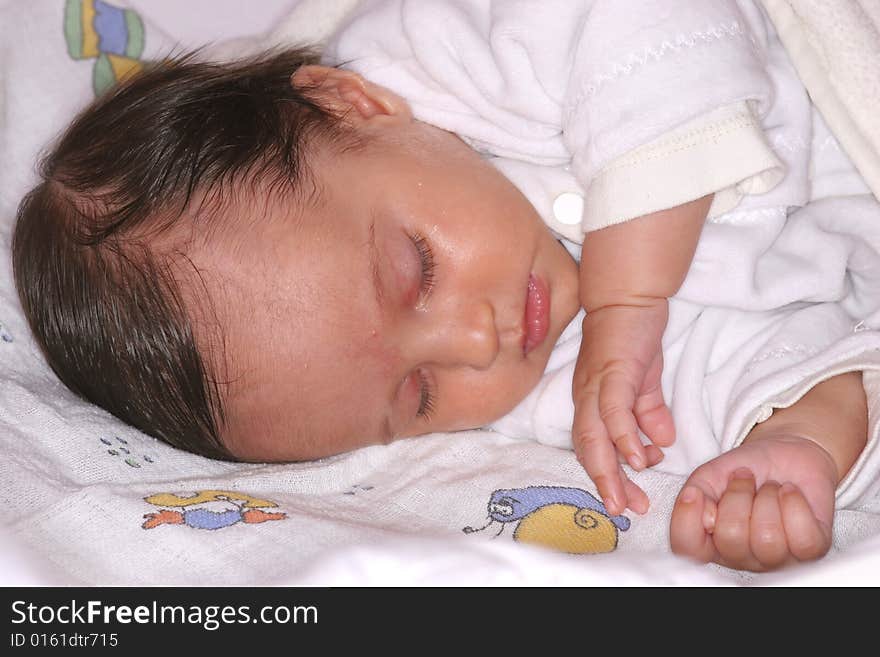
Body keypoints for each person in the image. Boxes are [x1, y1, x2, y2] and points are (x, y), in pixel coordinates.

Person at [11, 1, 879, 571]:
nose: (476, 341)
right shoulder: (564, 393)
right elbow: (779, 357)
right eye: (417, 394)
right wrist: (787, 444)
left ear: (352, 103)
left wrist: (628, 298)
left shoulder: (454, 52)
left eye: (417, 269)